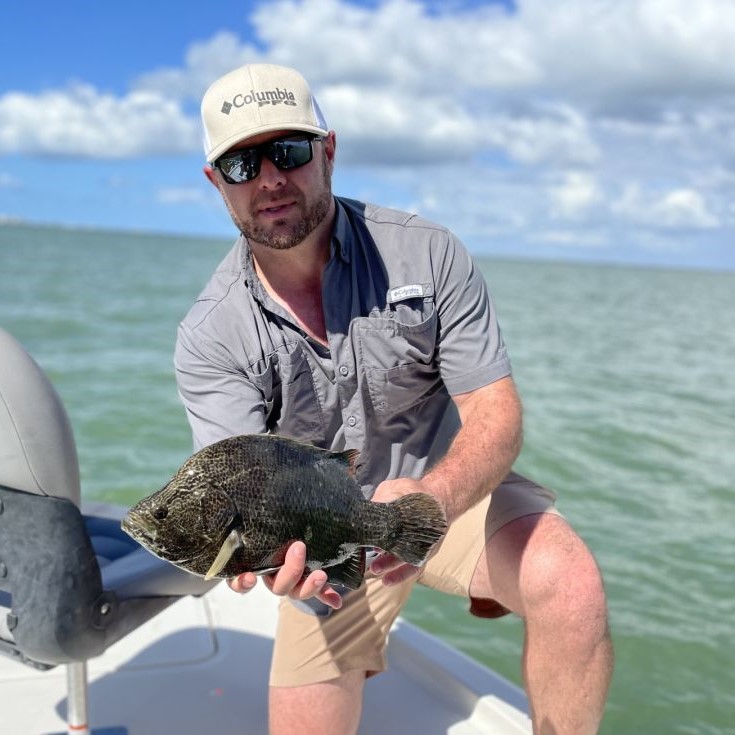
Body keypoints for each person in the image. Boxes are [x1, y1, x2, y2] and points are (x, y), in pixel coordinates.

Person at [175, 63, 613, 735]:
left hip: (443, 490)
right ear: (216, 183)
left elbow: (495, 411)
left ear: (327, 150)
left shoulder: (428, 253)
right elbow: (243, 493)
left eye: (288, 151)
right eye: (240, 164)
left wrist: (432, 498)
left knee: (569, 581)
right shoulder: (210, 337)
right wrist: (270, 565)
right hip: (327, 539)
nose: (268, 179)